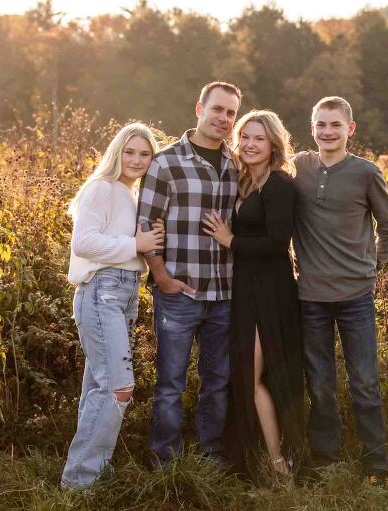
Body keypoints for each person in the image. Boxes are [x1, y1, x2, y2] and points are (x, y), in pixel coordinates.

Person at [293, 96, 388, 484]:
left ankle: (377, 465)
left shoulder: (366, 173)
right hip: (311, 297)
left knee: (365, 383)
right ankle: (326, 461)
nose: (327, 131)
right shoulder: (300, 167)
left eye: (335, 125)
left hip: (356, 297)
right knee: (319, 383)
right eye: (320, 124)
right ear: (312, 129)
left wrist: (376, 265)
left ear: (349, 129)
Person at [137, 82, 242, 466]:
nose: (223, 119)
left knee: (217, 383)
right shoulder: (166, 162)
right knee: (170, 384)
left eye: (230, 113)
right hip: (178, 294)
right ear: (199, 108)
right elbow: (146, 224)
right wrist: (162, 278)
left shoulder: (237, 165)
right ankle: (165, 460)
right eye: (217, 109)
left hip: (225, 295)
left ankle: (210, 456)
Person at [202, 110, 305, 483]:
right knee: (245, 374)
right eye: (244, 137)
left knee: (259, 374)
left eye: (258, 138)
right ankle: (260, 459)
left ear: (273, 144)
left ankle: (280, 466)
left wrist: (231, 240)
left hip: (270, 290)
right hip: (243, 288)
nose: (249, 144)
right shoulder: (245, 182)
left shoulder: (279, 185)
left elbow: (278, 244)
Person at [61, 123, 165, 488]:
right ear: (116, 152)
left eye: (145, 154)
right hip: (101, 290)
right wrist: (134, 244)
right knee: (118, 387)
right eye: (130, 151)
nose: (137, 160)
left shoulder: (130, 194)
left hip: (124, 292)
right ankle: (80, 481)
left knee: (99, 387)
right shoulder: (101, 188)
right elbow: (84, 244)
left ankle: (82, 478)